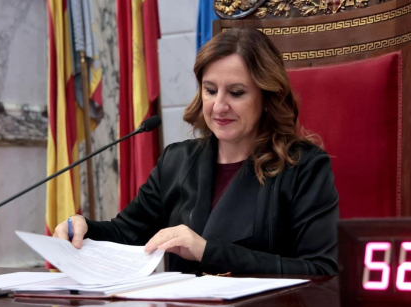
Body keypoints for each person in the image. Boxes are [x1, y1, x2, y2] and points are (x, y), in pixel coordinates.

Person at [54, 28, 339, 275]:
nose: (219, 106)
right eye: (210, 90)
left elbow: (320, 269)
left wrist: (207, 251)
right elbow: (125, 234)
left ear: (267, 97)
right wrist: (84, 229)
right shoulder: (176, 161)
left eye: (236, 93)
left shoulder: (304, 166)